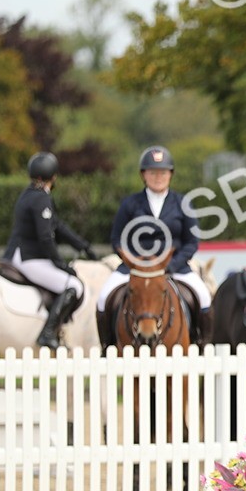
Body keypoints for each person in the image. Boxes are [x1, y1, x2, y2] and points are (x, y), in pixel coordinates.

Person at [95, 146, 212, 347]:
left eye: (163, 172)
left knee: (203, 297)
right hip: (135, 268)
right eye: (153, 172)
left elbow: (191, 242)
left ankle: (202, 345)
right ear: (143, 175)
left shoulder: (182, 203)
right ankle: (107, 347)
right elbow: (117, 239)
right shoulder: (130, 204)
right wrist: (135, 264)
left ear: (170, 174)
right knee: (103, 298)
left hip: (174, 266)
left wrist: (171, 265)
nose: (158, 177)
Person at [2, 152, 95, 349]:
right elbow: (46, 237)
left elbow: (57, 225)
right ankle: (48, 333)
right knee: (73, 286)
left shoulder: (29, 194)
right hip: (29, 258)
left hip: (18, 254)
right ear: (54, 176)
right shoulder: (41, 198)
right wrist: (60, 264)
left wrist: (82, 245)